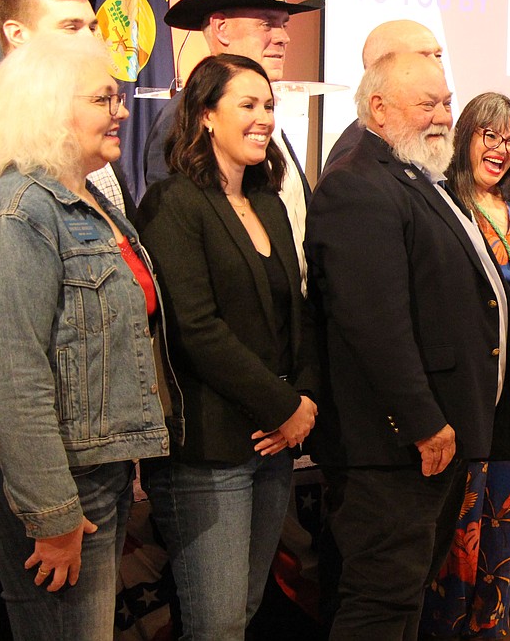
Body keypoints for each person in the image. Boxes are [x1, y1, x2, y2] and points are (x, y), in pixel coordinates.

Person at [0, 0, 135, 641]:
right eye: (72, 28)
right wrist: (47, 503)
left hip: (83, 457)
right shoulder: (13, 204)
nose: (120, 109)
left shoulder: (79, 185)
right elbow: (1, 355)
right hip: (37, 462)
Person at [305, 52, 510, 640]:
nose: (445, 115)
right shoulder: (357, 186)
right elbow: (374, 326)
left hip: (430, 438)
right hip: (394, 445)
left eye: (446, 101)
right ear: (378, 108)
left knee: (403, 595)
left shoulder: (414, 175)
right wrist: (423, 420)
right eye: (428, 104)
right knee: (380, 602)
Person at [136, 54, 319, 640]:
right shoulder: (172, 204)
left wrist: (305, 399)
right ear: (206, 116)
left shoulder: (268, 201)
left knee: (241, 610)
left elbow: (300, 312)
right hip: (207, 451)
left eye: (269, 105)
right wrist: (284, 408)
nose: (265, 117)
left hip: (272, 445)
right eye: (248, 105)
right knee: (214, 627)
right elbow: (196, 329)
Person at [419, 92, 510, 639]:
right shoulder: (445, 203)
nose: (500, 149)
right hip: (469, 381)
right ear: (465, 135)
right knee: (461, 529)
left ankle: (490, 630)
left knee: (503, 522)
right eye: (488, 136)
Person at [141, 0, 322, 288]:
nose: (284, 38)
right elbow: (178, 245)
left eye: (285, 24)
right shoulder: (182, 118)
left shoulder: (267, 121)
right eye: (268, 23)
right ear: (221, 28)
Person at [325, 19, 445, 168]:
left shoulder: (415, 143)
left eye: (438, 56)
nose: (437, 67)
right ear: (381, 67)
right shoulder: (356, 157)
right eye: (422, 57)